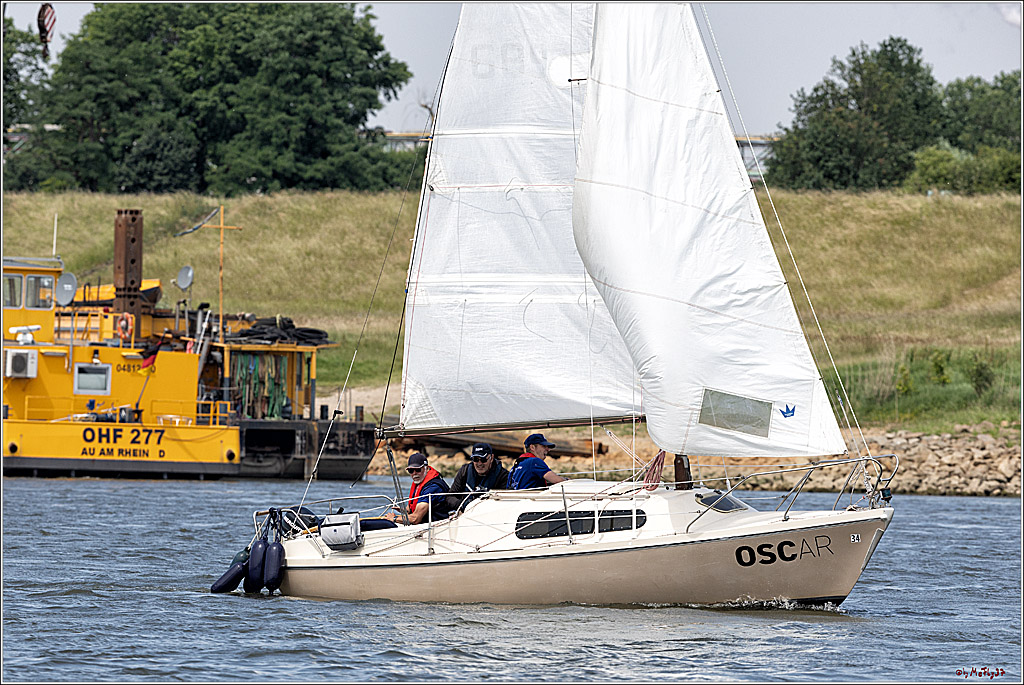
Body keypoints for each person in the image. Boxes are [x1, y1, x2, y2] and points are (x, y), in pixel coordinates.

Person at [384, 452, 450, 524]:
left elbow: (415, 519)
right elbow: (412, 508)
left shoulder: (432, 487)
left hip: (438, 525)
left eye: (418, 470)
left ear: (426, 468)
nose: (414, 473)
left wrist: (394, 518)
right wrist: (405, 511)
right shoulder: (419, 483)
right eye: (411, 471)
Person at [446, 442, 509, 513]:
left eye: (483, 460)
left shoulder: (503, 475)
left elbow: (505, 503)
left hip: (490, 513)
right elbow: (450, 497)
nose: (479, 463)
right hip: (466, 513)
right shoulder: (464, 471)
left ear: (491, 458)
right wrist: (464, 505)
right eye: (476, 459)